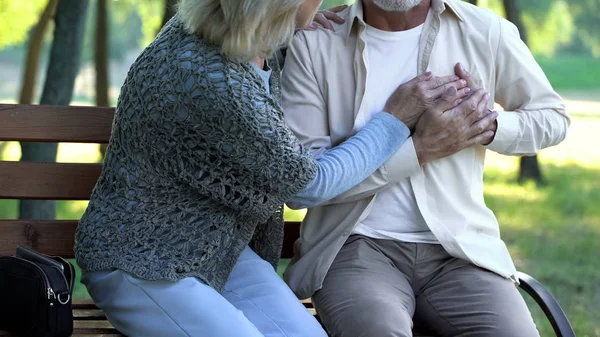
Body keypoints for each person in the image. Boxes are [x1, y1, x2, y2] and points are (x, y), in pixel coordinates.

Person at [74, 0, 497, 336]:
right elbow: (310, 182)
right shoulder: (209, 80)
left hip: (218, 249)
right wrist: (395, 121)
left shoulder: (227, 38)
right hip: (143, 264)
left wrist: (289, 29)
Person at [281, 0, 570, 336]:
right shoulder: (317, 40)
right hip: (353, 247)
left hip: (461, 251)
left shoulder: (484, 29)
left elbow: (552, 118)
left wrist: (484, 125)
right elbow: (305, 180)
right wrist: (420, 149)